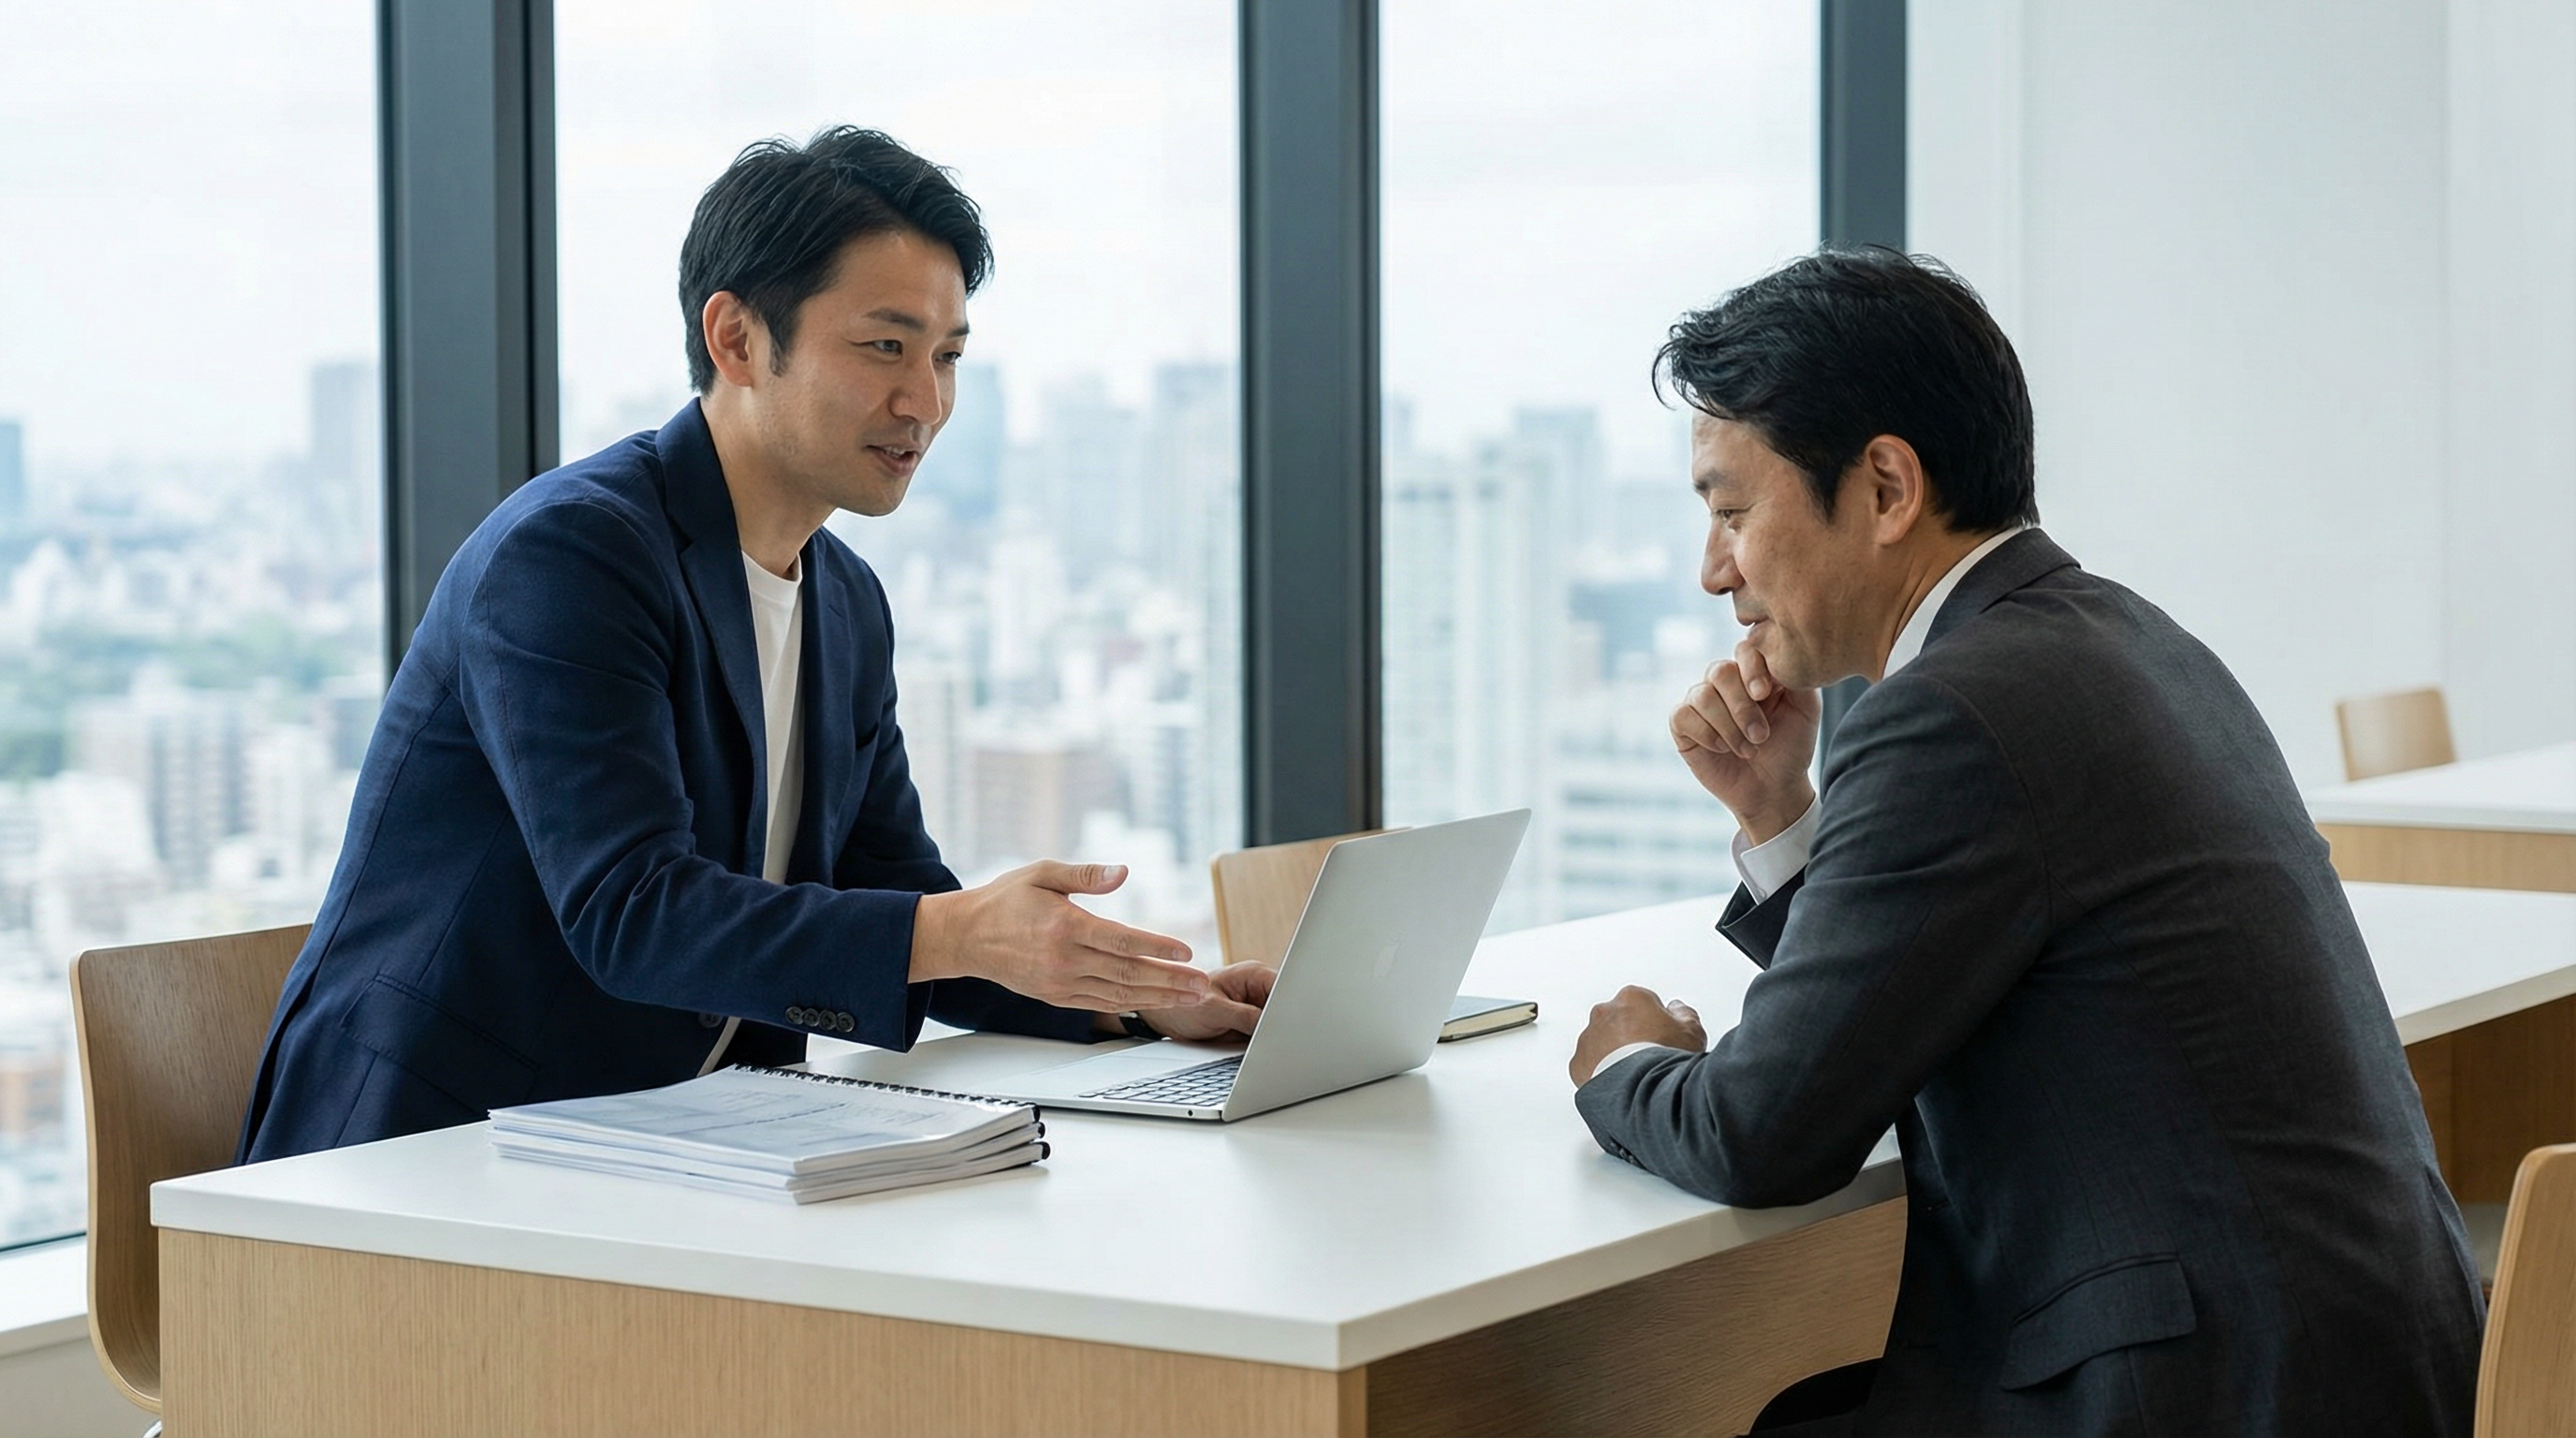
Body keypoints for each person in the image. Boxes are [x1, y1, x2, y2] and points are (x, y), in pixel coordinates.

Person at [1565, 249, 2483, 1435]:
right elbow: (1925, 981)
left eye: (1733, 513)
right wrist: (1778, 816)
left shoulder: (1950, 712)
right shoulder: (2129, 642)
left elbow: (1763, 1133)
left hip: (2199, 1393)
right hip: (2345, 1360)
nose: (1710, 572)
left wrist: (1622, 1068)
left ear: (1887, 488)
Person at [239, 127, 1269, 1162]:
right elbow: (630, 913)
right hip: (420, 1160)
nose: (926, 402)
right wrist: (958, 929)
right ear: (735, 339)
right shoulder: (572, 554)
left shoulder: (846, 604)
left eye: (947, 356)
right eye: (884, 347)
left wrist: (1142, 1003)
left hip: (673, 1150)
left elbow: (892, 899)